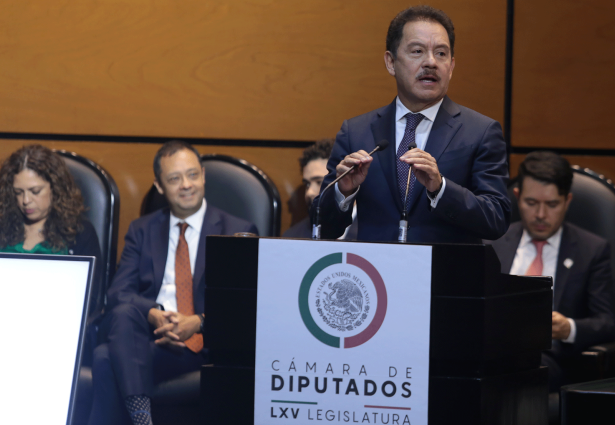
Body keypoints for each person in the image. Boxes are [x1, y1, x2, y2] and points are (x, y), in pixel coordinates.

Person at [88, 141, 258, 425]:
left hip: (202, 345)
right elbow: (119, 292)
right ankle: (143, 419)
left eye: (192, 175)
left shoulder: (237, 231)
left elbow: (245, 306)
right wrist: (155, 315)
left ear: (203, 175)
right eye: (174, 178)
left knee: (105, 358)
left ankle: (142, 419)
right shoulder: (141, 230)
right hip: (148, 338)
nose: (186, 185)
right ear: (159, 185)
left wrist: (197, 321)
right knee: (123, 312)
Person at [314, 5, 510, 243]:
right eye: (417, 51)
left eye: (441, 53)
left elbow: (497, 218)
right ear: (391, 62)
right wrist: (343, 192)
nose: (431, 62)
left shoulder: (480, 132)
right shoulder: (356, 132)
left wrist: (441, 189)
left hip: (446, 277)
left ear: (452, 67)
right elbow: (322, 227)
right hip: (377, 276)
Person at [487, 151, 615, 392]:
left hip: (551, 361)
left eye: (552, 204)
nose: (541, 215)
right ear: (517, 197)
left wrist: (569, 328)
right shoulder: (492, 243)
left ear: (567, 201)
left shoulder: (591, 250)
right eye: (531, 203)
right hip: (491, 351)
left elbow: (607, 322)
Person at [0, 144, 103, 313]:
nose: (26, 200)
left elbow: (90, 301)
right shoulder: (2, 227)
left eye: (35, 191)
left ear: (55, 188)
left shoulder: (79, 231)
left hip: (57, 318)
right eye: (18, 192)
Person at [284, 139, 357, 239]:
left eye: (319, 182)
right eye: (307, 184)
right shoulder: (292, 236)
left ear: (345, 179)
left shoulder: (376, 228)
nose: (309, 193)